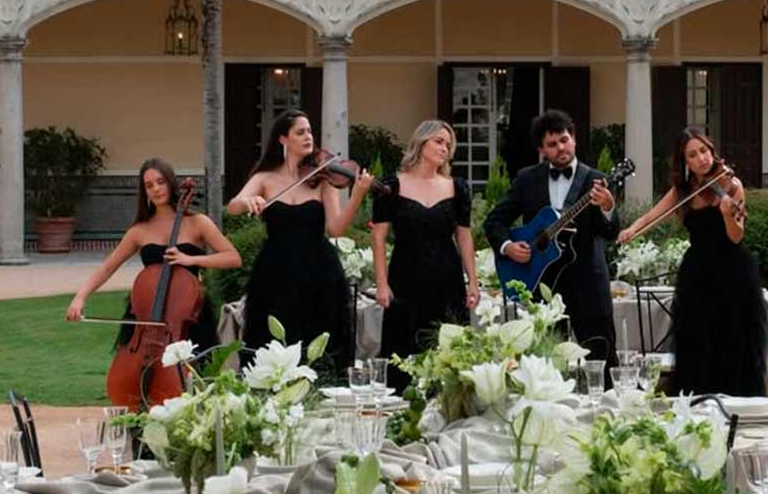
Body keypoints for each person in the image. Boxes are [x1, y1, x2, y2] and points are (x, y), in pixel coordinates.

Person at [618, 126, 767, 397]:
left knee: (732, 340)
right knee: (697, 340)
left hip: (732, 272)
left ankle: (734, 402)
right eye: (693, 155)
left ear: (712, 152)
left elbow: (736, 236)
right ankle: (699, 401)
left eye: (704, 151)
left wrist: (726, 215)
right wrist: (631, 230)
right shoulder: (682, 191)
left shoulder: (731, 185)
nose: (702, 158)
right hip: (697, 273)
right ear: (684, 162)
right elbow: (653, 216)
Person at [227, 109, 372, 376]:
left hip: (319, 269)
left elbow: (336, 228)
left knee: (320, 338)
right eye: (300, 132)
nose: (308, 137)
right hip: (275, 269)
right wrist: (247, 201)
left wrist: (358, 195)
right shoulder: (265, 179)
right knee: (272, 335)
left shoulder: (322, 178)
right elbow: (233, 207)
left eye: (310, 131)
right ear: (283, 139)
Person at [65, 156, 242, 361]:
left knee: (196, 376)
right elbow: (107, 267)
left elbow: (233, 258)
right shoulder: (139, 231)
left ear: (171, 183)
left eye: (160, 182)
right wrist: (80, 297)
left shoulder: (197, 223)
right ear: (144, 192)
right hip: (149, 313)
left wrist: (191, 260)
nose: (156, 189)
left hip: (189, 314)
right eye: (149, 185)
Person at [483, 109, 619, 367]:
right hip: (541, 283)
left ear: (574, 139)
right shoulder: (527, 179)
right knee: (543, 364)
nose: (561, 148)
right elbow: (494, 221)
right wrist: (508, 246)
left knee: (602, 360)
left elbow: (610, 233)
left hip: (588, 285)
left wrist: (607, 207)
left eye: (564, 140)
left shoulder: (595, 180)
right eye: (552, 144)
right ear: (542, 150)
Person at [371, 119, 480, 386]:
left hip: (447, 277)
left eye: (448, 144)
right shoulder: (391, 186)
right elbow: (378, 237)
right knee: (403, 349)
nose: (445, 148)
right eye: (439, 141)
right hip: (405, 275)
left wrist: (473, 283)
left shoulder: (458, 187)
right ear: (421, 143)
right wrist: (382, 284)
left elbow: (464, 237)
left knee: (447, 346)